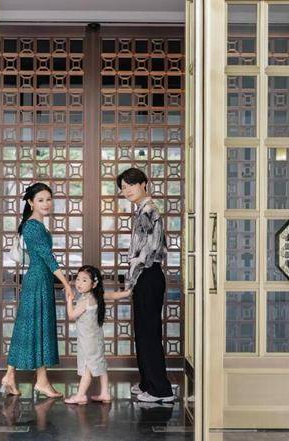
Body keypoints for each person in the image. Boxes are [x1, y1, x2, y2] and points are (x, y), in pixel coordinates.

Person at [0, 183, 74, 398]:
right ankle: (37, 380)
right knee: (35, 327)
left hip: (39, 280)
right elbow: (48, 258)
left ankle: (16, 376)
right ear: (31, 202)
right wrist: (66, 283)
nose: (46, 203)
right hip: (37, 281)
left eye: (48, 199)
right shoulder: (33, 227)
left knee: (30, 327)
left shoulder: (36, 225)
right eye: (40, 200)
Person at [117, 168, 174, 403]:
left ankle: (161, 390)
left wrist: (131, 280)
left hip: (147, 274)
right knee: (143, 331)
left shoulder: (148, 210)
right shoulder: (144, 210)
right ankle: (148, 382)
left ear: (143, 184)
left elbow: (146, 252)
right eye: (123, 187)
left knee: (148, 333)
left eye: (131, 184)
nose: (127, 190)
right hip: (146, 275)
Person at [64, 265, 130, 405]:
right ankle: (105, 393)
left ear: (93, 284)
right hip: (96, 339)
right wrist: (127, 293)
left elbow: (71, 315)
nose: (79, 283)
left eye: (84, 280)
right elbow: (112, 295)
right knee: (100, 364)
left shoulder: (85, 301)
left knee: (87, 368)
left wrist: (69, 300)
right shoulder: (96, 296)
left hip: (88, 342)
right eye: (78, 279)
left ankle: (80, 395)